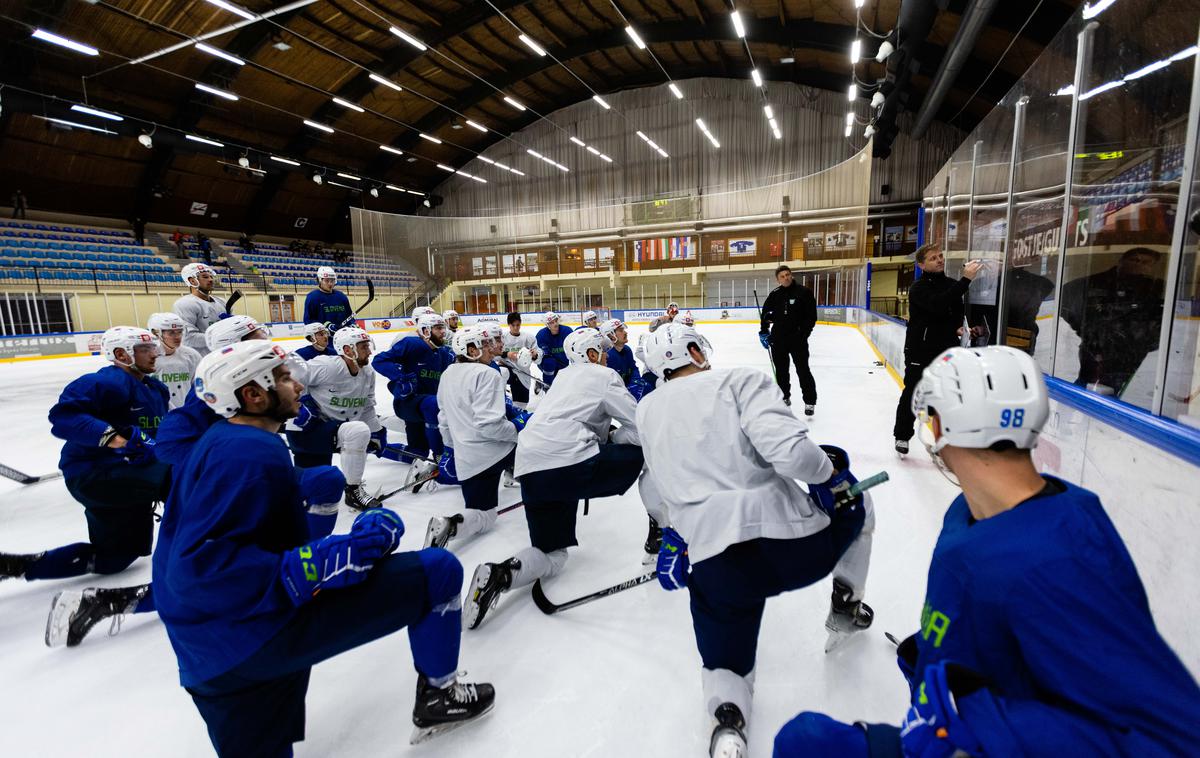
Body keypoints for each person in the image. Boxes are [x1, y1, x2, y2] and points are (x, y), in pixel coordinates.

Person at [773, 346, 1200, 757]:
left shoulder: (1058, 561)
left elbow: (1170, 739)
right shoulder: (973, 508)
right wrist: (943, 651)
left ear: (940, 428)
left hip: (965, 741)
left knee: (803, 742)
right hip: (943, 723)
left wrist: (973, 728)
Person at [153, 340, 494, 756]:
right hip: (251, 635)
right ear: (253, 395)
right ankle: (439, 696)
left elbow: (189, 546)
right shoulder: (250, 451)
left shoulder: (223, 440)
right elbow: (203, 571)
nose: (296, 384)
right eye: (281, 378)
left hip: (205, 654)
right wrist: (343, 555)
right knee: (438, 570)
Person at [638, 321, 875, 757]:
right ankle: (846, 604)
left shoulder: (646, 409)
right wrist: (830, 476)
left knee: (725, 660)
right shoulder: (739, 379)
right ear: (694, 352)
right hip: (791, 547)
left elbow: (655, 485)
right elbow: (790, 453)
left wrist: (675, 531)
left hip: (714, 560)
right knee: (858, 503)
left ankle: (727, 722)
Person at [464, 328, 662, 629]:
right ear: (591, 354)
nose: (607, 355)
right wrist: (613, 436)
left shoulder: (562, 379)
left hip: (531, 468)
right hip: (571, 462)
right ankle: (663, 535)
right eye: (602, 350)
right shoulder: (604, 376)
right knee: (649, 452)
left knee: (553, 555)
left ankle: (501, 574)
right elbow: (642, 429)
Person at [0, 327, 170, 595]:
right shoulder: (106, 382)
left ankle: (18, 565)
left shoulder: (156, 389)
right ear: (121, 354)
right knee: (180, 478)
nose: (153, 354)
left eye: (152, 348)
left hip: (127, 475)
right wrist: (114, 438)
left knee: (116, 557)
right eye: (144, 349)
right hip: (96, 473)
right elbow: (64, 415)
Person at [424, 326, 523, 549]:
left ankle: (450, 525)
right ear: (470, 349)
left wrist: (451, 448)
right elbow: (490, 427)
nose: (491, 348)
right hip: (497, 451)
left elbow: (444, 419)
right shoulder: (487, 373)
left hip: (469, 459)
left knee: (484, 516)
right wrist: (518, 427)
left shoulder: (448, 372)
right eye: (485, 344)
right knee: (538, 447)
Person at [285, 326, 385, 513]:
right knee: (305, 491)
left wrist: (376, 431)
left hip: (332, 431)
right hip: (306, 431)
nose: (369, 351)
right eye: (363, 347)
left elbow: (367, 407)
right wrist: (302, 402)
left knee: (359, 431)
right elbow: (288, 376)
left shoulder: (368, 373)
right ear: (348, 350)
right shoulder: (326, 365)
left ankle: (353, 490)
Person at [892, 245, 980, 455]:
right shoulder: (918, 288)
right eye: (933, 258)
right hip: (920, 350)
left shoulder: (952, 285)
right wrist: (965, 280)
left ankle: (944, 442)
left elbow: (953, 313)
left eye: (940, 256)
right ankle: (902, 435)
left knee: (946, 396)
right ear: (921, 264)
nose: (940, 260)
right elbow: (937, 305)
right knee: (913, 393)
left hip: (946, 350)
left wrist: (959, 328)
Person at [1059, 247, 1166, 396]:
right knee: (1082, 392)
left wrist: (1146, 342)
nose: (1140, 264)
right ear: (1121, 261)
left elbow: (1160, 321)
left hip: (1131, 360)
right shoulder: (1094, 281)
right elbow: (1066, 303)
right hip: (1096, 356)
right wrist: (1088, 332)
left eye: (1147, 262)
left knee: (1121, 396)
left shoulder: (1157, 288)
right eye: (1135, 260)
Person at [372, 312, 454, 487]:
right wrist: (401, 378)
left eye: (443, 327)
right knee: (433, 404)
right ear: (425, 331)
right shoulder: (411, 344)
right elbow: (379, 361)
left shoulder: (444, 353)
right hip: (408, 404)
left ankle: (376, 447)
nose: (443, 332)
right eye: (438, 328)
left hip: (426, 410)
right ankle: (441, 457)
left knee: (419, 454)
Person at [758, 264, 819, 415]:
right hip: (778, 339)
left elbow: (811, 317)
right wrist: (764, 332)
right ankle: (784, 397)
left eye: (787, 275)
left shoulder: (804, 292)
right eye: (782, 276)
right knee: (781, 371)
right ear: (778, 279)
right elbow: (765, 314)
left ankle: (810, 401)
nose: (786, 278)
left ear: (791, 275)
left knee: (803, 370)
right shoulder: (775, 294)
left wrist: (803, 334)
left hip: (797, 340)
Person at [148, 312, 203, 410]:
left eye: (179, 332)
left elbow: (199, 386)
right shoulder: (147, 358)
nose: (177, 336)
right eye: (171, 333)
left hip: (185, 412)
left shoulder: (192, 355)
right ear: (156, 333)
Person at [173, 262, 227, 355]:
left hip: (223, 354)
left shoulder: (222, 302)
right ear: (192, 281)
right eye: (205, 277)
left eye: (211, 276)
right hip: (202, 359)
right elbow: (188, 338)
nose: (210, 279)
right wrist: (221, 337)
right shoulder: (184, 304)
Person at [499, 311, 539, 407]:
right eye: (513, 325)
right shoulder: (502, 338)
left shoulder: (528, 338)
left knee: (521, 406)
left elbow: (538, 355)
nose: (516, 328)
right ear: (509, 325)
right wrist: (506, 354)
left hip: (522, 373)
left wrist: (535, 355)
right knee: (502, 372)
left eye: (518, 325)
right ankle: (501, 397)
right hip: (507, 369)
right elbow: (493, 354)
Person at [599, 318, 645, 400]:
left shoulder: (627, 349)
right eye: (621, 330)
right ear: (610, 335)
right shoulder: (607, 356)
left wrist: (636, 381)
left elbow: (633, 368)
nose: (625, 332)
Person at [534, 311, 573, 389]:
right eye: (552, 322)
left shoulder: (567, 331)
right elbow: (539, 355)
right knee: (549, 362)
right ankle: (547, 387)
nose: (555, 324)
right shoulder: (541, 335)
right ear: (547, 325)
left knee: (561, 383)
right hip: (547, 364)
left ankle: (540, 384)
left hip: (563, 363)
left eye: (556, 321)